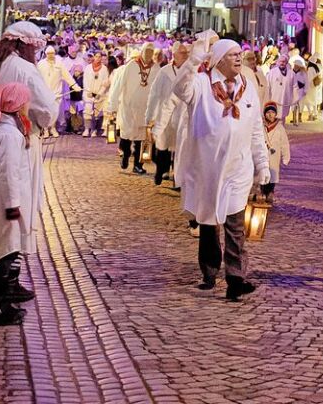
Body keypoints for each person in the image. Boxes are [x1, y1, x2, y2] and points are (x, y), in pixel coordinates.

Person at [172, 39, 269, 301]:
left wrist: (262, 163)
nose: (239, 59)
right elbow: (180, 89)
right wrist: (193, 60)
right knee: (209, 221)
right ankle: (209, 271)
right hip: (207, 167)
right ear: (219, 59)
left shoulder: (247, 88)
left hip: (238, 166)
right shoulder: (202, 83)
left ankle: (236, 277)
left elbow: (256, 129)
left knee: (236, 223)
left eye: (240, 54)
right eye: (233, 55)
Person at [0, 21, 58, 265]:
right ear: (24, 45)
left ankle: (5, 275)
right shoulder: (24, 69)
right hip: (22, 136)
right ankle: (6, 280)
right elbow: (47, 109)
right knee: (20, 205)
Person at [0, 82, 36, 325]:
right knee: (3, 253)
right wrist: (13, 205)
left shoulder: (12, 131)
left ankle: (2, 303)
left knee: (9, 250)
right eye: (25, 101)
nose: (28, 105)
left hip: (9, 204)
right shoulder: (8, 135)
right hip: (6, 205)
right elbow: (7, 173)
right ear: (16, 104)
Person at [106, 43, 159, 174]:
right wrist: (112, 105)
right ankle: (125, 154)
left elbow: (159, 90)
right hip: (128, 108)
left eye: (150, 52)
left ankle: (138, 164)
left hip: (145, 110)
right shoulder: (130, 66)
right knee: (126, 135)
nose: (148, 55)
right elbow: (118, 86)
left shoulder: (156, 69)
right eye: (146, 51)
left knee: (141, 139)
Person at [145, 41, 188, 186]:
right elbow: (154, 94)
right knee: (163, 145)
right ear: (175, 55)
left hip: (182, 114)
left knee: (180, 147)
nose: (185, 56)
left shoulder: (190, 72)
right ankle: (160, 170)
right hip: (165, 114)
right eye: (182, 53)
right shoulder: (164, 72)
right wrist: (149, 115)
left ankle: (177, 176)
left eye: (186, 53)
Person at [37, 45, 79, 137]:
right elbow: (36, 78)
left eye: (52, 53)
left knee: (54, 112)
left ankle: (52, 128)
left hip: (57, 93)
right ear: (45, 54)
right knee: (45, 112)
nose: (51, 55)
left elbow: (67, 75)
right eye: (49, 54)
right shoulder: (40, 64)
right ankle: (45, 129)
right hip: (45, 93)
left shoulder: (59, 63)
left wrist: (74, 85)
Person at [261, 101, 290, 203]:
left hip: (274, 156)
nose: (270, 115)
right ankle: (263, 192)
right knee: (262, 174)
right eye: (268, 112)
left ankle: (270, 192)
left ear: (275, 114)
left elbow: (285, 143)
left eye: (272, 112)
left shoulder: (279, 127)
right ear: (265, 114)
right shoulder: (261, 126)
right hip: (263, 155)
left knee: (272, 174)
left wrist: (286, 157)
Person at [82, 51, 110, 138]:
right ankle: (87, 129)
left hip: (99, 94)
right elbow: (85, 81)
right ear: (93, 57)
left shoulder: (104, 69)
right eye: (96, 56)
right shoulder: (88, 68)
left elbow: (105, 83)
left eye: (99, 57)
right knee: (88, 111)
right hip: (89, 93)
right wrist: (88, 91)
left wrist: (100, 93)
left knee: (98, 113)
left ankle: (96, 130)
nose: (98, 58)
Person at [266, 50, 297, 121]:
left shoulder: (291, 73)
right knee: (274, 118)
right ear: (278, 62)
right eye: (281, 61)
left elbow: (295, 87)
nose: (282, 63)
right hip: (274, 99)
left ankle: (281, 131)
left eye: (284, 61)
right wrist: (267, 99)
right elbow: (267, 86)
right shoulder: (272, 73)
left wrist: (295, 99)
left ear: (286, 62)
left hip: (286, 100)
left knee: (283, 118)